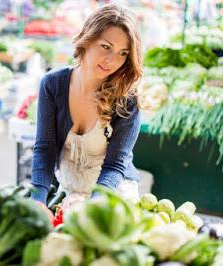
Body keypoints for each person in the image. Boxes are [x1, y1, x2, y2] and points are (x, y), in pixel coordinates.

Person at [30, 4, 143, 207]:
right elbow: (45, 149)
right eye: (106, 47)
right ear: (88, 39)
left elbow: (115, 165)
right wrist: (37, 199)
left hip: (112, 192)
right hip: (69, 189)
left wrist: (92, 205)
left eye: (123, 53)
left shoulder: (128, 100)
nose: (111, 60)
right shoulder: (53, 84)